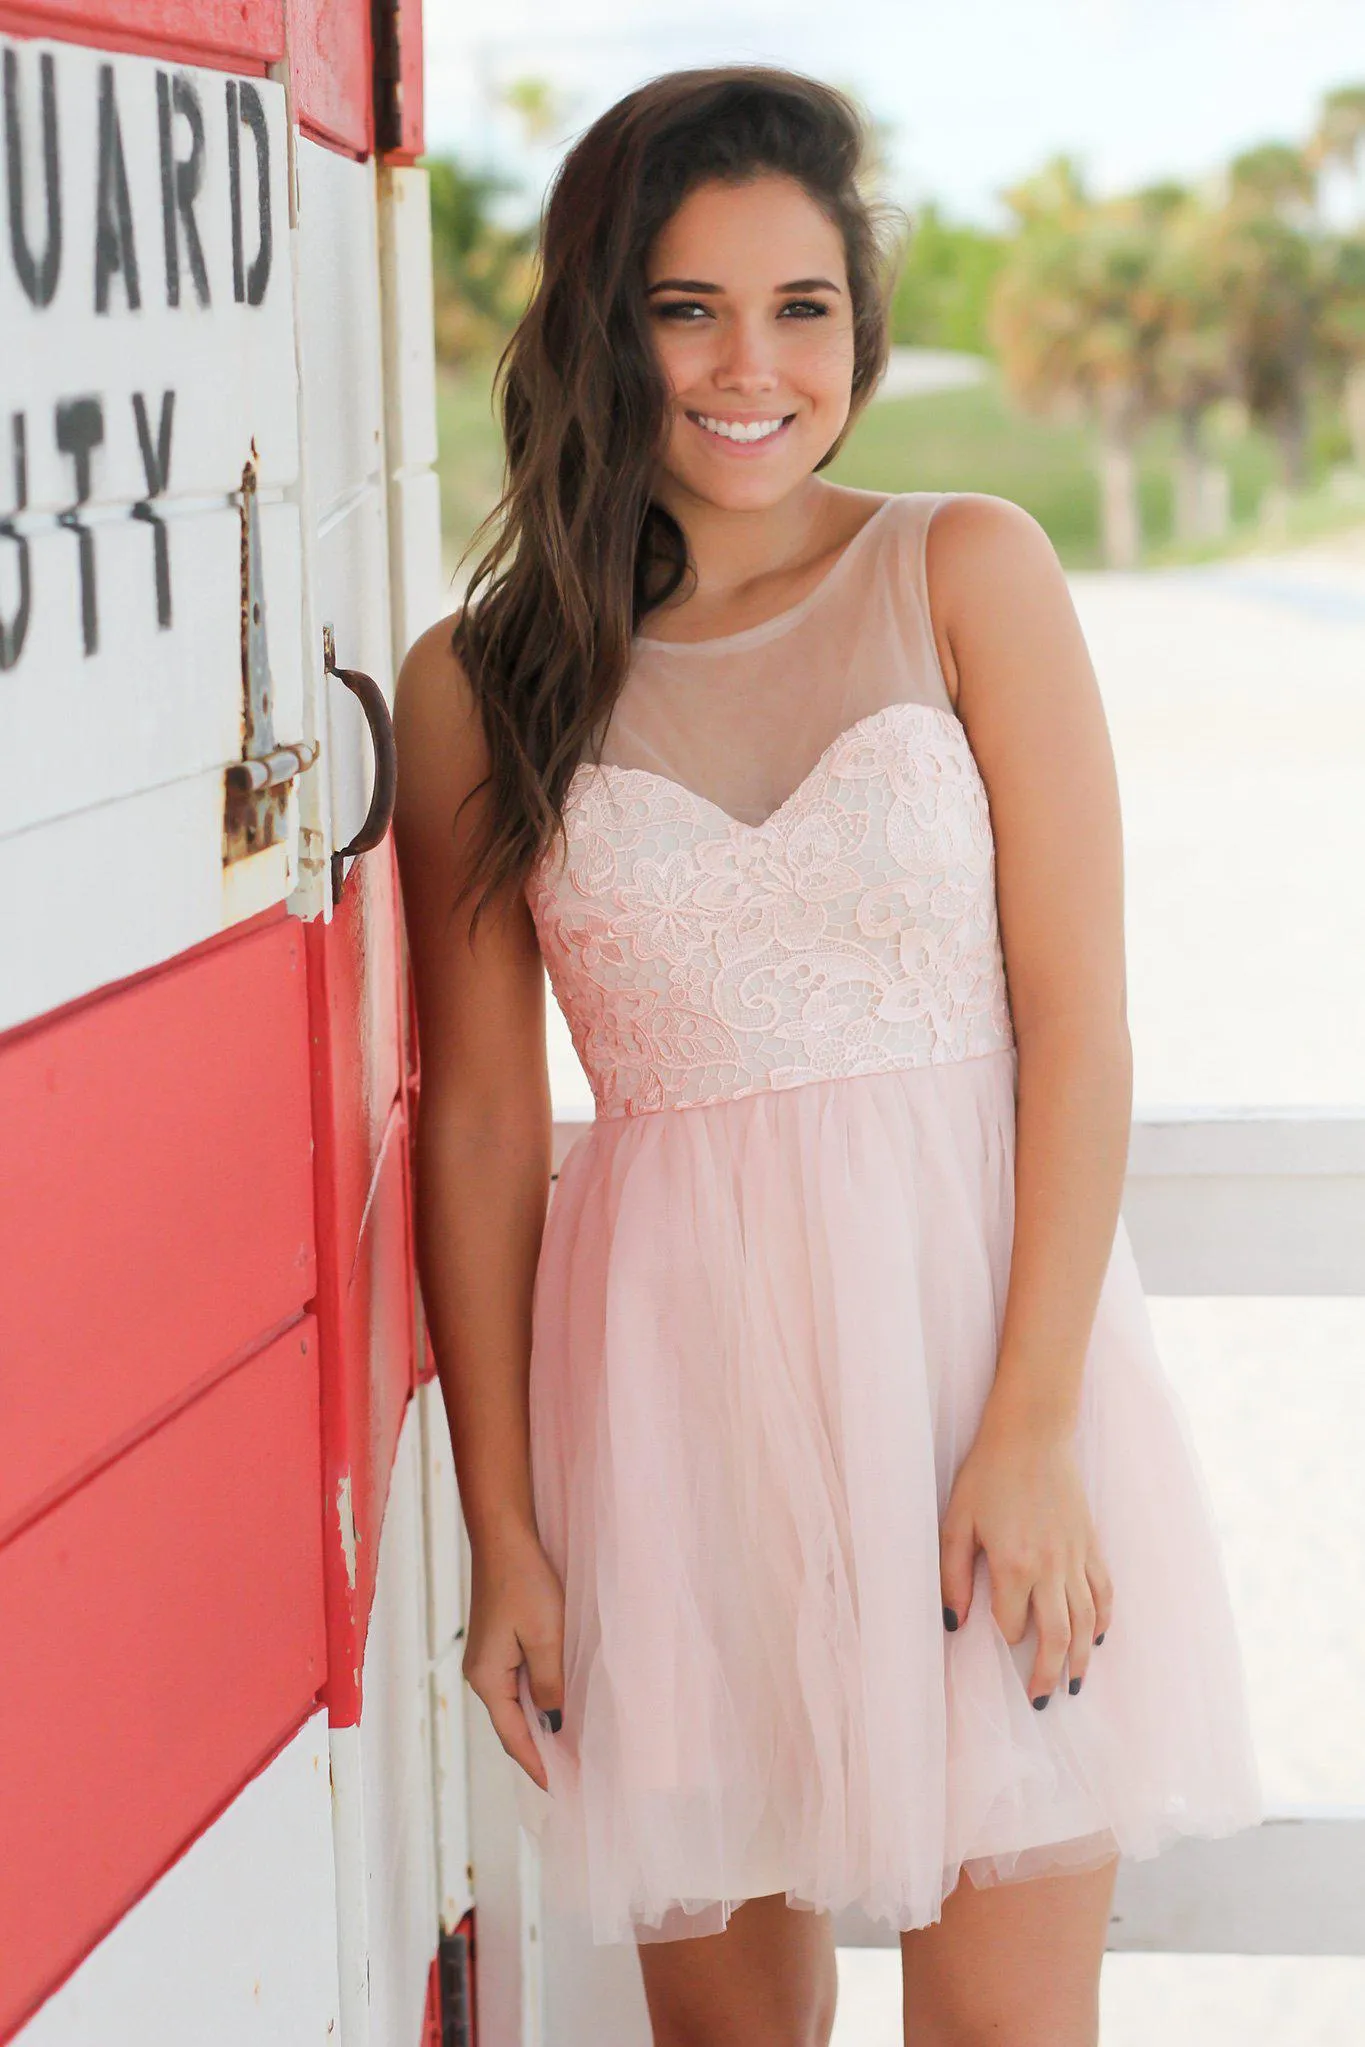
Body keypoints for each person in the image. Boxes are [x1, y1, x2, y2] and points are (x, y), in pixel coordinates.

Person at [393, 65, 1261, 2047]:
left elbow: (1078, 1027)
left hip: (983, 1380)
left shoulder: (967, 568)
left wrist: (1032, 1423)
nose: (748, 367)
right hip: (667, 1414)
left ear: (856, 324)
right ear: (601, 325)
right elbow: (482, 1131)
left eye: (801, 307)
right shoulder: (487, 681)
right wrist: (509, 1534)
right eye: (686, 307)